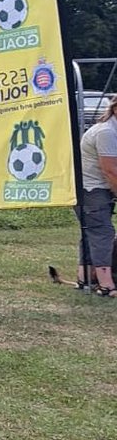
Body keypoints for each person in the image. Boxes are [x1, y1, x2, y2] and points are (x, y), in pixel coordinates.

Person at [77, 98, 117, 296]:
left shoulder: (108, 128)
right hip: (92, 190)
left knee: (91, 233)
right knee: (103, 234)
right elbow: (110, 170)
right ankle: (106, 286)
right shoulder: (107, 132)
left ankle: (85, 279)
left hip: (91, 189)